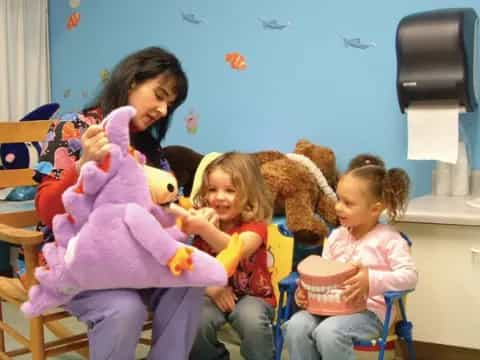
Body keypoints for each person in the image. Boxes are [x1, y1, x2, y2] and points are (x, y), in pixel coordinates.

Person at [31, 46, 203, 360]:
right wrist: (83, 165)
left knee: (189, 283)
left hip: (138, 261)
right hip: (78, 261)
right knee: (123, 309)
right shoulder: (74, 128)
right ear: (132, 80)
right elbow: (45, 209)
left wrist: (190, 217)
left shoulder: (148, 145)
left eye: (171, 105)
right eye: (160, 95)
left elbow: (168, 206)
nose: (163, 111)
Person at [283, 157, 418, 360]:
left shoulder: (389, 239)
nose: (338, 207)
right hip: (327, 307)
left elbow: (410, 277)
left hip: (371, 311)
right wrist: (305, 291)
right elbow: (321, 272)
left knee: (329, 332)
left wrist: (371, 280)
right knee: (296, 325)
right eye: (338, 199)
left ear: (374, 209)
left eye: (348, 203)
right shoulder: (337, 236)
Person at [183, 152, 276, 360]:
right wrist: (210, 289)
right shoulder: (201, 218)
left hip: (252, 296)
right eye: (212, 190)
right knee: (194, 320)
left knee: (252, 321)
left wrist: (205, 229)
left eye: (230, 190)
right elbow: (187, 266)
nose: (219, 197)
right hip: (210, 294)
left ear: (249, 195)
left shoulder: (255, 226)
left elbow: (236, 250)